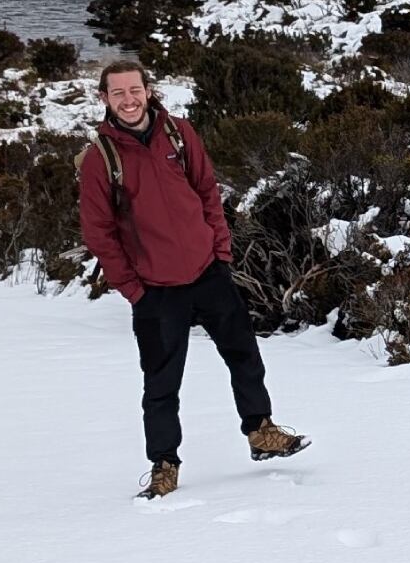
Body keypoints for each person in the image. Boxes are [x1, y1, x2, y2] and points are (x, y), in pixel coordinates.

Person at [78, 59, 308, 500]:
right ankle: (165, 464)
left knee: (244, 355)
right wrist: (133, 289)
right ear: (104, 98)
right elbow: (99, 233)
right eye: (118, 93)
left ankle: (261, 431)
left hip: (208, 274)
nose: (128, 100)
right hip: (155, 291)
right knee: (161, 386)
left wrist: (220, 253)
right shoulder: (100, 159)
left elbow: (208, 192)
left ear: (148, 90)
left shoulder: (179, 134)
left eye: (135, 90)